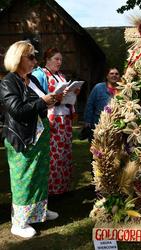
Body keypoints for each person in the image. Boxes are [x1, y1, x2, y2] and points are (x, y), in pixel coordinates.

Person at [0, 41, 59, 238]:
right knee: (23, 179)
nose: (35, 60)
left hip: (38, 137)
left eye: (35, 56)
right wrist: (43, 101)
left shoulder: (31, 79)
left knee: (39, 177)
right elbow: (17, 111)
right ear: (18, 59)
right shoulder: (8, 82)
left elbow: (38, 105)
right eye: (31, 57)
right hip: (23, 139)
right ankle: (18, 223)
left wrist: (53, 98)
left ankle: (36, 213)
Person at [32, 48, 78, 196]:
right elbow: (38, 97)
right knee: (54, 154)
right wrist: (56, 97)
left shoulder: (61, 75)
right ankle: (51, 189)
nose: (60, 62)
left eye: (61, 59)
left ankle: (62, 187)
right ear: (48, 59)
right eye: (56, 59)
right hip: (53, 118)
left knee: (64, 152)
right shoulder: (41, 74)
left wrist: (73, 92)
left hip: (65, 119)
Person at [83, 67, 121, 141]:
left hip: (116, 124)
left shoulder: (122, 90)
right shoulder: (98, 88)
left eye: (116, 74)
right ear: (107, 76)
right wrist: (87, 121)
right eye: (111, 73)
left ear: (119, 76)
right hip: (99, 123)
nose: (114, 75)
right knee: (98, 148)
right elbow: (90, 104)